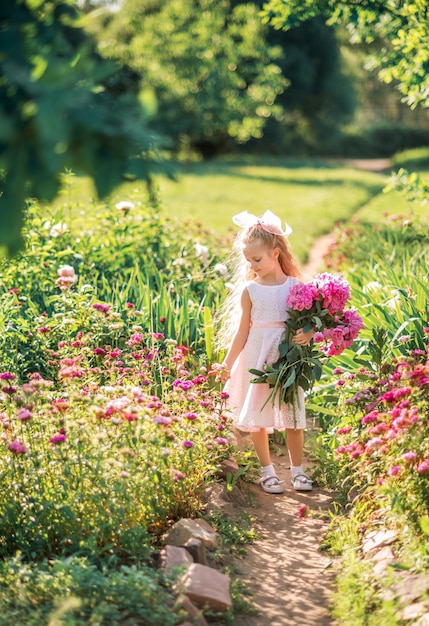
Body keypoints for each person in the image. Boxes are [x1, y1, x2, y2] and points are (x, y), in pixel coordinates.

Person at [216, 210, 314, 494]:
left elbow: (310, 321)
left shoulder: (295, 287)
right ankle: (267, 471)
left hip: (286, 361)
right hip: (256, 358)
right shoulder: (251, 290)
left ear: (275, 253)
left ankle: (298, 471)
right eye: (248, 261)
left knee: (293, 415)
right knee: (257, 417)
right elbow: (242, 331)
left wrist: (307, 333)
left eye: (257, 259)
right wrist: (227, 363)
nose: (252, 265)